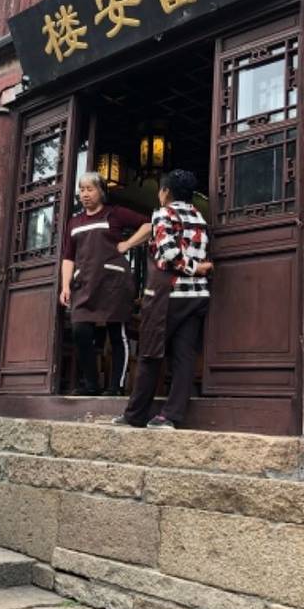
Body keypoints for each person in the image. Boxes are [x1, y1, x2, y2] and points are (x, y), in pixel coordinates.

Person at [113, 169, 213, 429]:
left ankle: (135, 414)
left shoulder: (163, 214)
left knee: (150, 351)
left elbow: (169, 254)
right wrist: (199, 269)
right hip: (196, 296)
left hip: (167, 295)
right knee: (184, 357)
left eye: (160, 189)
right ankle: (171, 416)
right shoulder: (199, 216)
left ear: (166, 192)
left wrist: (194, 268)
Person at [60, 171, 150, 396]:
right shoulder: (74, 222)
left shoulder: (115, 214)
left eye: (90, 189)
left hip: (113, 283)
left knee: (116, 332)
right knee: (80, 331)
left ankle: (116, 386)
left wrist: (127, 244)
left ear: (101, 191)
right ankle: (91, 384)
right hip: (84, 283)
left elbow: (149, 225)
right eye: (82, 190)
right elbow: (68, 257)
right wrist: (65, 285)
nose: (85, 194)